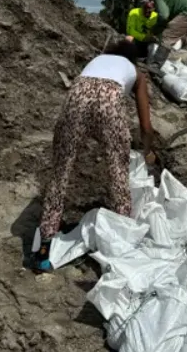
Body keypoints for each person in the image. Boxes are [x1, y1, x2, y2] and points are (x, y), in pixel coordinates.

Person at [31, 39, 155, 273]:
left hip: (77, 97)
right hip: (109, 102)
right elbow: (146, 125)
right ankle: (121, 249)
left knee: (60, 174)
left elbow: (87, 92)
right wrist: (147, 149)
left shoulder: (96, 61)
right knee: (118, 176)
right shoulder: (135, 72)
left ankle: (43, 252)